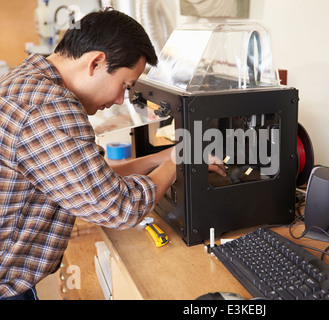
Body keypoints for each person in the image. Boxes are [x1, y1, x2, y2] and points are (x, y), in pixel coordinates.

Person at [0, 8, 223, 300]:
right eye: (125, 86)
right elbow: (119, 206)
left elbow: (92, 178)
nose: (120, 99)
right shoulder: (49, 108)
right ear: (96, 62)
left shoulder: (29, 80)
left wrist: (164, 157)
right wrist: (180, 163)